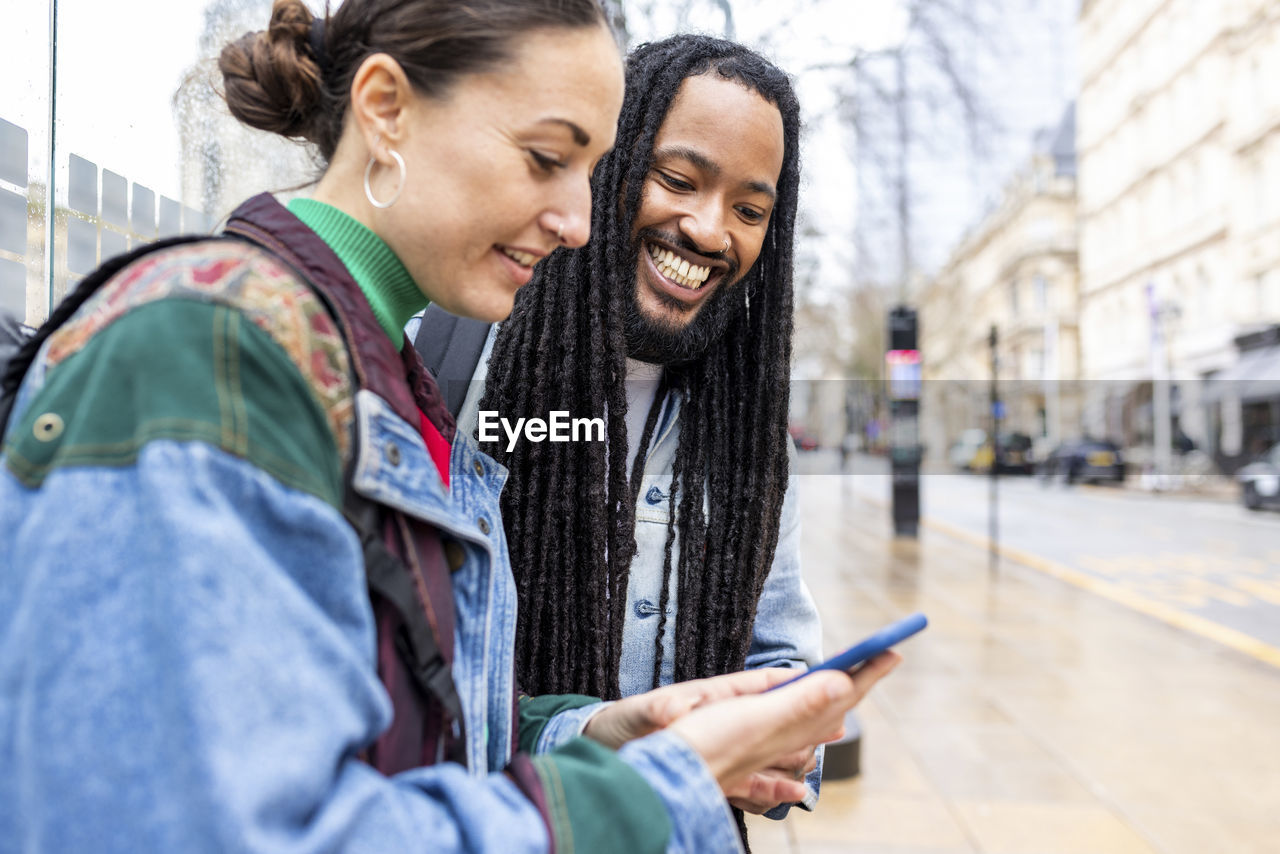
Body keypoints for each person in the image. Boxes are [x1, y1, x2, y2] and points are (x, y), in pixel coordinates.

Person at [0, 2, 902, 852]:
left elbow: (434, 738)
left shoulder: (387, 380)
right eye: (547, 159)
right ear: (386, 108)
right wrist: (653, 785)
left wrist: (602, 733)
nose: (581, 223)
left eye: (591, 173)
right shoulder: (204, 351)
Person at [419, 34, 824, 826]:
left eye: (749, 210)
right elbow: (411, 676)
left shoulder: (749, 437)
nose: (710, 232)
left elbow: (779, 654)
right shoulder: (453, 366)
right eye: (677, 180)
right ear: (613, 166)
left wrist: (791, 734)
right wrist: (591, 737)